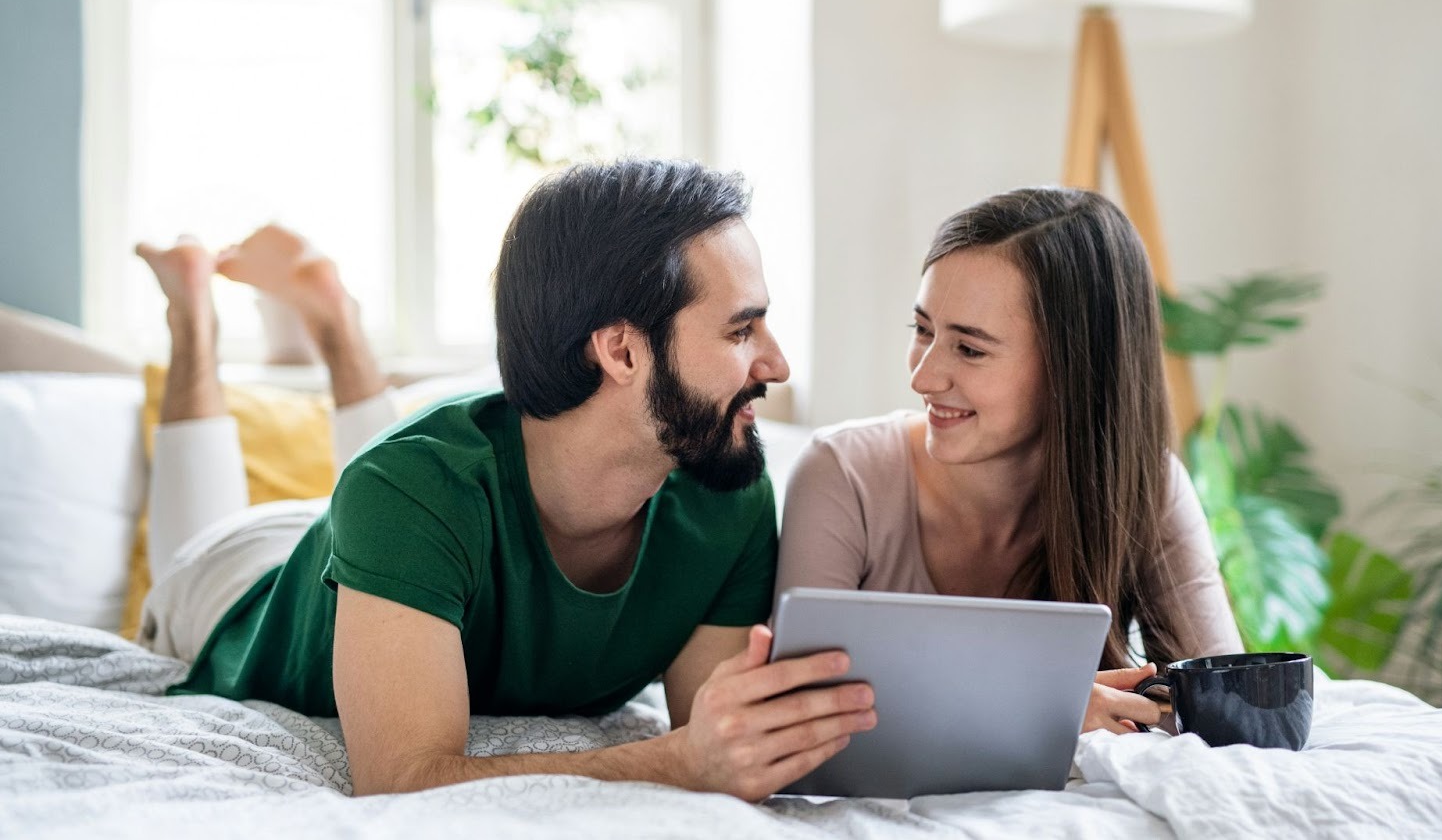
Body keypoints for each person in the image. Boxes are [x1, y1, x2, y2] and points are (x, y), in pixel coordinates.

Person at [133, 159, 876, 801]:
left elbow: (714, 734)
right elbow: (402, 780)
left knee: (407, 486)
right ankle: (192, 316)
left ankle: (334, 320)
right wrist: (675, 764)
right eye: (741, 331)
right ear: (620, 351)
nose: (777, 364)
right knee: (211, 545)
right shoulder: (406, 488)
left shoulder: (726, 486)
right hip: (245, 573)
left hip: (403, 528)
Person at [775, 186, 1243, 734]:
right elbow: (792, 716)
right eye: (923, 330)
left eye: (969, 349)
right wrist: (1040, 710)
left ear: (1073, 371)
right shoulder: (843, 476)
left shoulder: (1146, 487)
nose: (922, 377)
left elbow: (1227, 702)